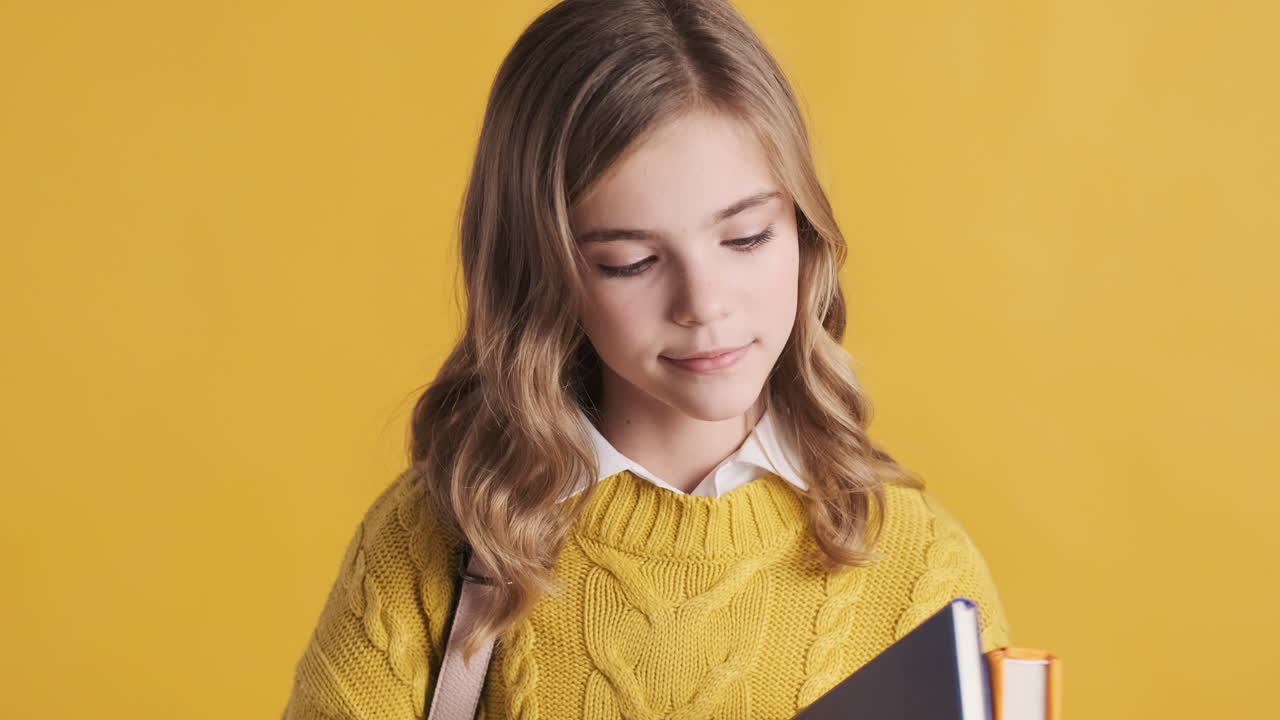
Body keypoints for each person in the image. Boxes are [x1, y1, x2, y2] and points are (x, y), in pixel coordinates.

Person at [281, 0, 1011, 717]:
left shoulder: (922, 574)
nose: (704, 303)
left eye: (747, 237)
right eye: (631, 262)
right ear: (540, 273)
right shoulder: (432, 547)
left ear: (805, 231)